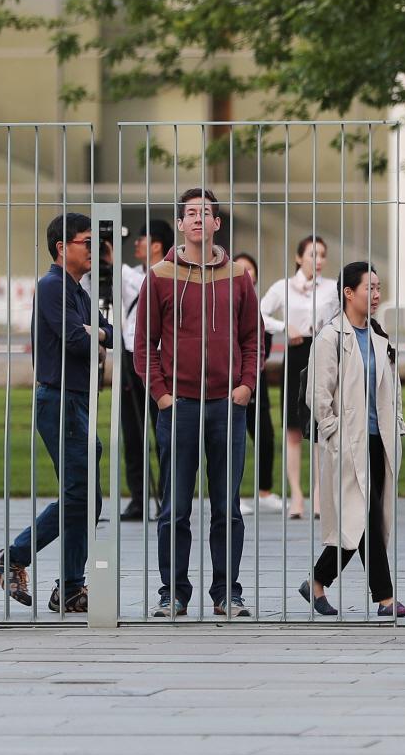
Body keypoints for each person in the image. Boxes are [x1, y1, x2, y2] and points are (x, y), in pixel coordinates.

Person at [134, 187, 262, 618]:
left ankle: (228, 592)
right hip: (179, 406)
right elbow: (143, 345)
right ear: (181, 223)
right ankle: (173, 592)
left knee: (227, 506)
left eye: (205, 213)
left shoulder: (239, 278)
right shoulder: (160, 275)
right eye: (190, 213)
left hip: (228, 405)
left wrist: (245, 386)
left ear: (217, 223)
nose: (197, 219)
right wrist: (162, 395)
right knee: (175, 508)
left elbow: (253, 339)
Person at [0, 213, 114, 614]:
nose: (93, 249)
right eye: (86, 242)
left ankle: (72, 587)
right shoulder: (52, 287)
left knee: (86, 498)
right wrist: (95, 334)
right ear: (63, 247)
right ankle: (13, 557)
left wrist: (99, 333)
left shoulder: (76, 289)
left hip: (76, 399)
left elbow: (105, 328)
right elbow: (78, 341)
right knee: (79, 495)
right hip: (59, 399)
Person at [297, 261, 405, 619]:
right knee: (365, 517)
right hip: (347, 443)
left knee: (362, 518)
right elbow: (318, 393)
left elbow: (392, 390)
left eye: (378, 288)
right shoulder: (331, 337)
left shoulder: (379, 337)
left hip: (379, 442)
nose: (376, 295)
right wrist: (331, 430)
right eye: (369, 288)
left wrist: (398, 423)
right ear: (348, 293)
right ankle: (385, 598)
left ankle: (317, 582)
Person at [259, 234, 337, 519]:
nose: (318, 261)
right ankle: (297, 496)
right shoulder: (283, 287)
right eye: (312, 254)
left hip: (323, 354)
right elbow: (259, 314)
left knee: (317, 430)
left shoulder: (332, 288)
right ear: (298, 257)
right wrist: (284, 326)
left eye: (322, 255)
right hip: (294, 354)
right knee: (293, 430)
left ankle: (319, 495)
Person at [117, 219, 175, 522]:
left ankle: (168, 497)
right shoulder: (128, 275)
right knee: (133, 430)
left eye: (142, 239)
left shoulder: (169, 275)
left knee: (164, 430)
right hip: (131, 356)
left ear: (156, 244)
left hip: (162, 359)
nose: (136, 244)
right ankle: (138, 498)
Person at [233, 251, 283, 514]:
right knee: (233, 437)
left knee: (265, 435)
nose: (245, 272)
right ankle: (232, 494)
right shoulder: (225, 303)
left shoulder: (260, 309)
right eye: (240, 267)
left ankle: (265, 491)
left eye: (250, 268)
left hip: (256, 380)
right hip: (231, 382)